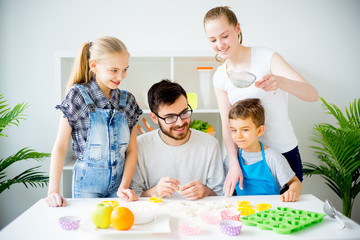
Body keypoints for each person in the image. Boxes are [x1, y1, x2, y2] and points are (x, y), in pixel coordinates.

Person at [203, 6, 318, 197]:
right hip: (247, 158)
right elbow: (226, 125)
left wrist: (280, 82)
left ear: (237, 28)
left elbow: (312, 94)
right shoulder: (220, 77)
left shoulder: (266, 57)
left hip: (283, 152)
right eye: (213, 40)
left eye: (224, 36)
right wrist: (233, 164)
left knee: (285, 214)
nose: (220, 44)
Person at [45, 36, 142, 207]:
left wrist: (124, 187)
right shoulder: (77, 96)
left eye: (125, 69)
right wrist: (53, 191)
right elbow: (60, 146)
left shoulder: (128, 101)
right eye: (114, 70)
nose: (121, 76)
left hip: (119, 187)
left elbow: (132, 150)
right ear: (94, 66)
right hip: (86, 188)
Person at [130, 79, 224, 200]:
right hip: (157, 214)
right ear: (154, 118)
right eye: (170, 117)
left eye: (184, 113)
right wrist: (155, 191)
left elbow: (221, 194)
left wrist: (205, 191)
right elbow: (134, 196)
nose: (180, 123)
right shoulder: (139, 146)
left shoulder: (210, 145)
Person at [229, 98, 302, 201]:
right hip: (243, 210)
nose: (238, 136)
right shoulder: (232, 159)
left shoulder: (272, 157)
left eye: (245, 130)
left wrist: (292, 191)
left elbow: (295, 182)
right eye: (234, 130)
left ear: (260, 131)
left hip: (270, 211)